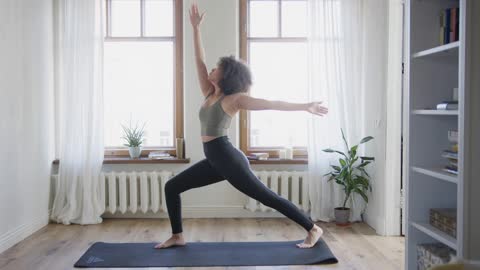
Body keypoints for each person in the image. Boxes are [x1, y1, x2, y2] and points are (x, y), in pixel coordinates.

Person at [155, 2, 328, 249]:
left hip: (228, 158)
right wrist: (195, 29)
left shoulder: (233, 100)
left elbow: (271, 103)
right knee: (172, 186)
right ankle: (178, 235)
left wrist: (304, 106)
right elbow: (199, 59)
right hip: (215, 159)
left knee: (267, 197)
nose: (212, 69)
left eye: (218, 68)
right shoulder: (209, 93)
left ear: (225, 76)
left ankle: (313, 228)